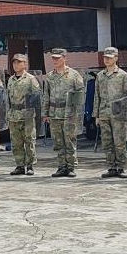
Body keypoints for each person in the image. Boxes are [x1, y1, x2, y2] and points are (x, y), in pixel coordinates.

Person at [92, 47, 127, 178]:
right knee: (107, 142)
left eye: (109, 58)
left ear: (116, 58)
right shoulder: (100, 75)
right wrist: (96, 115)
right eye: (105, 57)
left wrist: (126, 113)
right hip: (104, 113)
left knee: (119, 142)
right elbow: (97, 96)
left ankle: (121, 167)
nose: (107, 60)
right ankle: (111, 167)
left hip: (118, 114)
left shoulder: (123, 75)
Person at [42, 48, 86, 178]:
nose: (55, 60)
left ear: (64, 58)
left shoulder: (74, 75)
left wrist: (77, 112)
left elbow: (80, 94)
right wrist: (45, 113)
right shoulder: (50, 76)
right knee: (58, 142)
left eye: (58, 58)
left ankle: (71, 167)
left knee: (69, 141)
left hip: (69, 114)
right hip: (54, 114)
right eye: (53, 58)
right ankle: (61, 166)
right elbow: (46, 95)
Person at [6, 53, 42, 176]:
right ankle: (20, 165)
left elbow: (37, 98)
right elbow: (8, 98)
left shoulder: (31, 79)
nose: (16, 65)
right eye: (14, 62)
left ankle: (30, 165)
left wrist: (38, 115)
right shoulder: (10, 80)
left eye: (19, 62)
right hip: (14, 115)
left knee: (29, 141)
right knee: (16, 142)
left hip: (27, 114)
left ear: (25, 64)